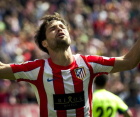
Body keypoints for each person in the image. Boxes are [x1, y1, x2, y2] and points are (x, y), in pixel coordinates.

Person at [0, 12, 140, 117]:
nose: (60, 29)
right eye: (53, 29)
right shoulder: (37, 69)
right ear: (45, 43)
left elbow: (129, 61)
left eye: (62, 26)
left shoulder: (88, 63)